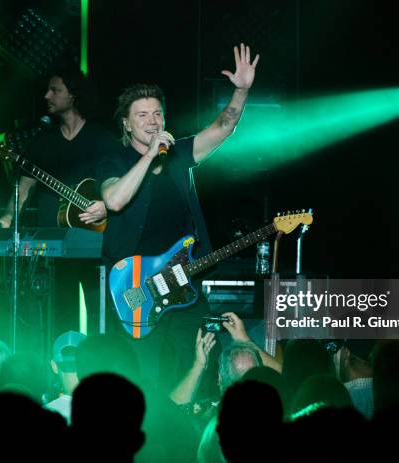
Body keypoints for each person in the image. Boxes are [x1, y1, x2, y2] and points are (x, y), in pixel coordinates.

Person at [97, 43, 260, 387]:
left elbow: (223, 126)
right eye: (141, 115)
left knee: (196, 364)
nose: (152, 121)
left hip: (184, 282)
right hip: (137, 289)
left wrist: (241, 90)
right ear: (127, 124)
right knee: (147, 376)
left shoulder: (180, 154)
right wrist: (150, 156)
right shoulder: (115, 162)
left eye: (157, 113)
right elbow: (114, 200)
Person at [0, 68, 119, 340]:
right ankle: (59, 372)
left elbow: (121, 186)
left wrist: (104, 206)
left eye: (55, 90)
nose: (47, 95)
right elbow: (25, 185)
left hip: (95, 243)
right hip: (54, 246)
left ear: (74, 95)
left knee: (102, 315)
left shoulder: (102, 139)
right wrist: (7, 217)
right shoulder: (43, 139)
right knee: (59, 319)